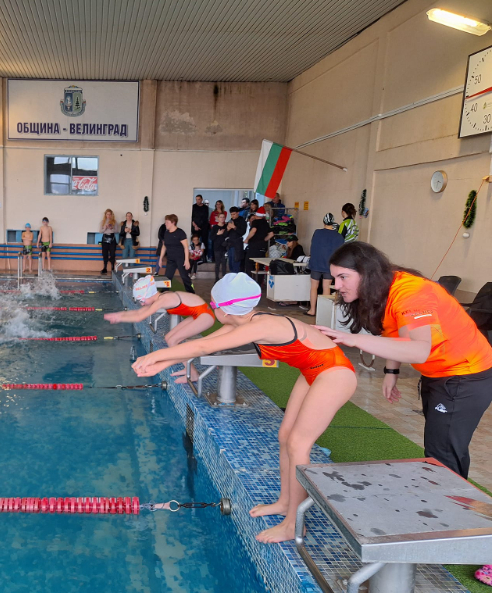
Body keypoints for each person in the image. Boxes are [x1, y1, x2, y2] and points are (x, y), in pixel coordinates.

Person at [132, 272, 357, 543]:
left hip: (334, 373)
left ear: (225, 309)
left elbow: (204, 344)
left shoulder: (261, 326)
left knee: (299, 443)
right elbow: (202, 348)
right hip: (313, 370)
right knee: (285, 436)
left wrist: (154, 355)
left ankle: (293, 524)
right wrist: (161, 363)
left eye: (212, 305)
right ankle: (285, 502)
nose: (211, 309)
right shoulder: (245, 322)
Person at [320, 242, 492, 480]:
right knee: (445, 446)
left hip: (465, 375)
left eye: (343, 277)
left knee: (442, 454)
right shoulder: (383, 287)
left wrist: (354, 339)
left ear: (367, 273)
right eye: (334, 278)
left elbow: (419, 350)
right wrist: (391, 372)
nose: (337, 286)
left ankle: (446, 499)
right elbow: (396, 333)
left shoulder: (412, 293)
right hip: (440, 372)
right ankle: (449, 494)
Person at [105, 275, 215, 382]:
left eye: (142, 301)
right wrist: (119, 315)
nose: (141, 304)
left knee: (173, 340)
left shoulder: (164, 299)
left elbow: (139, 317)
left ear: (149, 295)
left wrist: (120, 318)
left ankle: (193, 374)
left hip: (205, 316)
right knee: (169, 338)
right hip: (198, 314)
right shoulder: (159, 298)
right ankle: (189, 369)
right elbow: (138, 312)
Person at [304, 213, 344, 317]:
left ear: (323, 222)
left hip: (316, 263)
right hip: (329, 265)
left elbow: (313, 246)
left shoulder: (317, 233)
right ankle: (323, 313)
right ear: (333, 222)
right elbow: (340, 252)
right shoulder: (338, 236)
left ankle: (312, 310)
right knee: (326, 287)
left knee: (314, 287)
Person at [158, 214, 193, 293]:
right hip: (171, 259)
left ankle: (191, 292)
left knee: (184, 277)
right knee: (167, 277)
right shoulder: (166, 233)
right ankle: (164, 292)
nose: (165, 224)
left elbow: (186, 247)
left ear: (173, 222)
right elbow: (164, 247)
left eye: (167, 222)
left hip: (181, 258)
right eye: (165, 222)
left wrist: (186, 260)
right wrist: (160, 259)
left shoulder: (180, 233)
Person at [243, 206, 271, 274]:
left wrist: (247, 239)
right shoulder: (266, 223)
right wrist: (264, 240)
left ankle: (250, 278)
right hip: (263, 247)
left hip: (254, 246)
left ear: (256, 215)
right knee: (260, 266)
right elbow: (271, 234)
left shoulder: (255, 222)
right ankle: (259, 279)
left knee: (249, 263)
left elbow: (253, 230)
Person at [225, 206, 247, 274]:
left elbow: (242, 232)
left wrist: (234, 227)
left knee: (236, 260)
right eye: (231, 214)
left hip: (237, 243)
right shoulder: (230, 221)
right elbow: (225, 234)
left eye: (234, 214)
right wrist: (228, 229)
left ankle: (235, 275)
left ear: (238, 213)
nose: (233, 216)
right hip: (230, 243)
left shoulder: (242, 221)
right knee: (230, 262)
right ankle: (232, 274)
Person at [191, 195, 209, 260]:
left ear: (201, 199)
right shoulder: (194, 207)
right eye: (196, 199)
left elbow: (206, 218)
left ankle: (204, 256)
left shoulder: (205, 208)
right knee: (195, 241)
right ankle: (195, 255)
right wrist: (195, 226)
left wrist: (202, 226)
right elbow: (192, 217)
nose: (197, 201)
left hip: (204, 227)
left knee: (204, 241)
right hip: (195, 227)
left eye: (199, 199)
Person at [211, 213, 228, 280]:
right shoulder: (215, 227)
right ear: (218, 218)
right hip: (217, 247)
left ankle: (224, 278)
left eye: (223, 217)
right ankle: (217, 278)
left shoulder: (226, 227)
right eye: (220, 217)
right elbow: (211, 237)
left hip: (224, 248)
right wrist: (217, 234)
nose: (222, 218)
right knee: (217, 263)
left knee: (224, 263)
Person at [100, 209, 117, 275]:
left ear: (112, 215)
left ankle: (112, 268)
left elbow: (116, 231)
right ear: (105, 215)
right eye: (107, 214)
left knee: (112, 253)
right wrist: (105, 227)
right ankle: (105, 268)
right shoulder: (103, 222)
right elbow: (100, 231)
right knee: (105, 253)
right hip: (105, 238)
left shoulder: (114, 222)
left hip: (112, 238)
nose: (109, 216)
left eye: (110, 214)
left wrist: (111, 228)